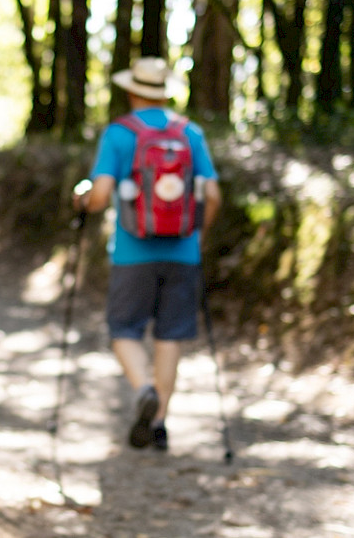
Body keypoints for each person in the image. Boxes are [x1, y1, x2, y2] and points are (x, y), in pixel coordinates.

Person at [73, 57, 221, 451]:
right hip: (183, 252)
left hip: (132, 252)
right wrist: (198, 238)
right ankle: (159, 424)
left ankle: (143, 389)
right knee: (170, 337)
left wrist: (83, 201)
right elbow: (213, 194)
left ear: (131, 90)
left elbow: (101, 194)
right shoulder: (191, 133)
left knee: (124, 329)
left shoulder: (120, 134)